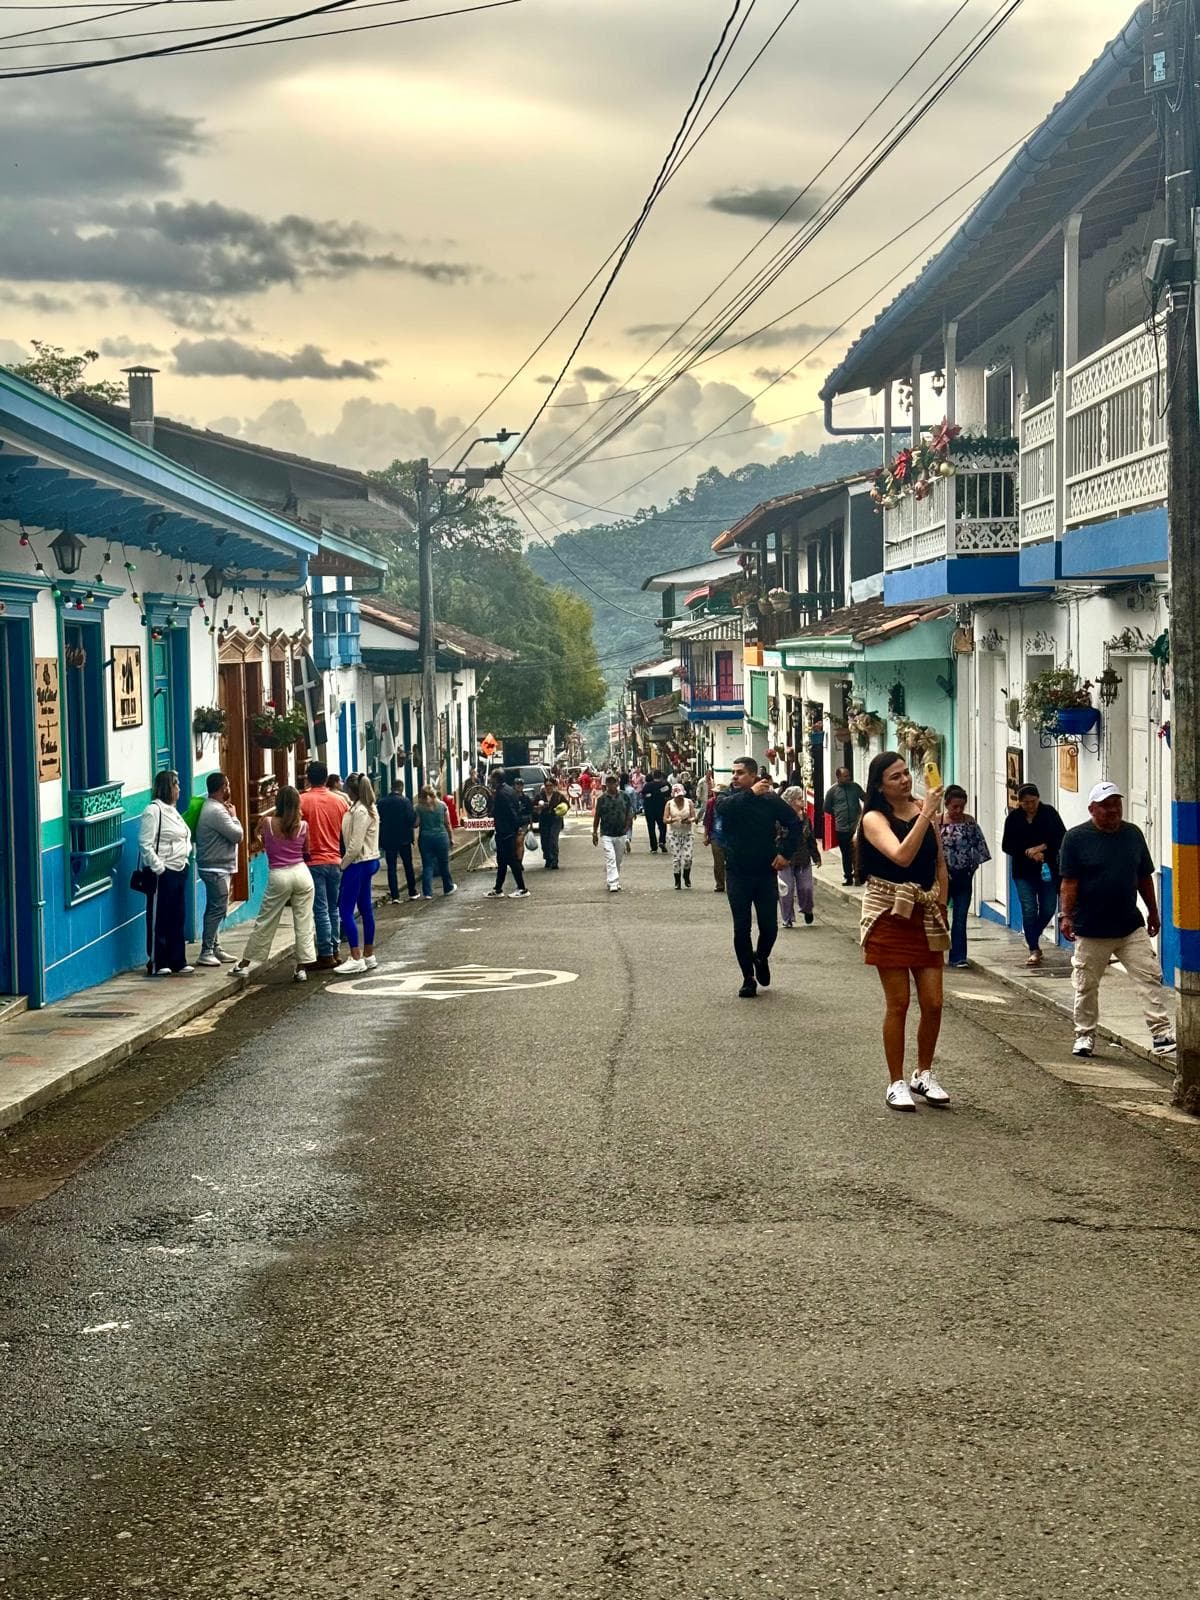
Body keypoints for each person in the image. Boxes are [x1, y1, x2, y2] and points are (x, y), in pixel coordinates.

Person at [857, 751, 950, 1112]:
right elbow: (901, 856)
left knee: (934, 1002)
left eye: (906, 773)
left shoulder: (921, 810)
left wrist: (942, 903)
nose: (905, 780)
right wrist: (927, 812)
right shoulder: (874, 819)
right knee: (899, 1003)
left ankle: (923, 1073)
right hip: (889, 912)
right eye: (895, 777)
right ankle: (895, 1081)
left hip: (924, 911)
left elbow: (939, 862)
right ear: (880, 785)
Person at [1059, 781, 1174, 1059]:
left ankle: (1161, 1033)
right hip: (1092, 928)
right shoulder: (1076, 838)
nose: (1113, 810)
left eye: (1116, 804)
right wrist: (1066, 916)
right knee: (1086, 984)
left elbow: (1143, 876)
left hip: (1129, 926)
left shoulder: (1132, 834)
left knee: (1149, 976)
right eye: (1106, 806)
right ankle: (1084, 1035)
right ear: (1092, 809)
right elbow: (1069, 882)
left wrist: (1153, 911)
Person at [716, 757, 801, 999]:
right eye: (733, 772)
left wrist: (785, 853)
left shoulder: (770, 800)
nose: (734, 776)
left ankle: (761, 957)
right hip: (736, 872)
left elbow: (794, 823)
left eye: (740, 773)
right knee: (741, 928)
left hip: (765, 871)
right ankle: (747, 978)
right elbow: (723, 810)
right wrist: (750, 794)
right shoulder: (727, 798)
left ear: (753, 776)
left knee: (769, 927)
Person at [231, 786, 314, 984]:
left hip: (279, 874)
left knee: (266, 920)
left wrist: (266, 843)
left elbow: (257, 837)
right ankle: (301, 968)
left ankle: (244, 964)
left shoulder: (267, 822)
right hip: (301, 873)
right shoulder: (302, 826)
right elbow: (307, 851)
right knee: (304, 922)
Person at [1001, 783, 1066, 968]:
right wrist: (1028, 852)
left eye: (1033, 801)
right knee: (1029, 909)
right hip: (1023, 872)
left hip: (1047, 869)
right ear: (1019, 803)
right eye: (1025, 803)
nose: (1030, 806)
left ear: (1038, 799)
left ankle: (1032, 934)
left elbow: (1061, 836)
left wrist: (1041, 848)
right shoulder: (1014, 818)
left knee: (1048, 908)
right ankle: (1034, 948)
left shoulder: (1049, 814)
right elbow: (1007, 845)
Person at [137, 769, 194, 976]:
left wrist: (186, 857)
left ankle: (178, 959)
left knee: (178, 915)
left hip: (180, 870)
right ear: (166, 787)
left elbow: (184, 836)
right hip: (163, 872)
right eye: (175, 784)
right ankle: (159, 961)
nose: (179, 788)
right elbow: (145, 843)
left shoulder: (173, 811)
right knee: (159, 917)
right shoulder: (153, 811)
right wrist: (159, 867)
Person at [299, 760, 350, 971]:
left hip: (313, 861)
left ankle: (326, 953)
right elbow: (346, 831)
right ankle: (335, 950)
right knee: (333, 908)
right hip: (336, 859)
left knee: (319, 909)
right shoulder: (339, 802)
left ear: (308, 778)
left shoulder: (302, 801)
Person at [195, 771, 243, 967]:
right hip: (216, 868)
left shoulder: (213, 808)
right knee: (217, 908)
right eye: (228, 785)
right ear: (223, 788)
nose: (229, 789)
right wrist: (235, 817)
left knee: (215, 907)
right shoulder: (217, 811)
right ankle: (206, 950)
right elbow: (237, 835)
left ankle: (215, 946)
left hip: (216, 866)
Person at [939, 785, 991, 968]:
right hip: (942, 880)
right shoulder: (937, 823)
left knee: (960, 919)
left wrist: (970, 870)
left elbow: (980, 848)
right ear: (946, 804)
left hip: (963, 878)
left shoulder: (970, 823)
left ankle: (958, 957)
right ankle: (935, 954)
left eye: (961, 807)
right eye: (954, 807)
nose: (958, 811)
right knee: (939, 917)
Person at [334, 774, 380, 975]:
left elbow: (355, 845)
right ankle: (368, 954)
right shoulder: (367, 808)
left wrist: (342, 865)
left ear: (351, 790)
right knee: (365, 907)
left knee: (345, 909)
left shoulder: (361, 811)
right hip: (368, 861)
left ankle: (355, 956)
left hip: (358, 862)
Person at [778, 786, 821, 927]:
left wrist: (816, 856)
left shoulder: (806, 817)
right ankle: (787, 918)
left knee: (806, 888)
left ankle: (807, 909)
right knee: (786, 890)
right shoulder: (780, 818)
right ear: (790, 801)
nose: (802, 801)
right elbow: (774, 838)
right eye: (799, 799)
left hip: (803, 857)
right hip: (785, 858)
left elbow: (810, 838)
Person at [486, 769, 529, 898]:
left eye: (491, 778)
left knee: (511, 860)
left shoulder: (501, 794)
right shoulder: (509, 790)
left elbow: (510, 812)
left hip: (506, 832)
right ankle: (498, 888)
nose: (489, 780)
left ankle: (522, 888)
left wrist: (514, 827)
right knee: (502, 861)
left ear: (496, 779)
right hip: (506, 831)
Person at [822, 766, 866, 886]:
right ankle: (848, 876)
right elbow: (826, 807)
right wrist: (838, 813)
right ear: (838, 777)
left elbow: (865, 798)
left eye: (848, 775)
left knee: (858, 851)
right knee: (846, 853)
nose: (848, 778)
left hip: (856, 826)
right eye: (845, 776)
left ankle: (859, 875)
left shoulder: (855, 787)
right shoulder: (832, 791)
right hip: (841, 827)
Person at [593, 771, 633, 892]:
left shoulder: (624, 796)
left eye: (613, 782)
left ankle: (615, 879)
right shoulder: (602, 799)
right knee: (610, 857)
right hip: (607, 833)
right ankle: (613, 882)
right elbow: (597, 816)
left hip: (621, 832)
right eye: (609, 782)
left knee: (618, 859)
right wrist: (594, 832)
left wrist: (627, 828)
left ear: (617, 783)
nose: (611, 785)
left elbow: (629, 813)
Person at [378, 780, 418, 902]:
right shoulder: (405, 801)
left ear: (391, 788)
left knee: (391, 867)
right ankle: (412, 891)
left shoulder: (382, 802)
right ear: (402, 788)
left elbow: (378, 818)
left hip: (388, 839)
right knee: (408, 865)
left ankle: (395, 895)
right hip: (404, 839)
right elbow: (411, 820)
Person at [415, 783, 457, 899]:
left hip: (425, 838)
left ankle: (427, 893)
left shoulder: (418, 807)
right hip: (441, 837)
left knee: (427, 865)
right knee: (444, 864)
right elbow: (447, 824)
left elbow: (416, 824)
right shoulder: (442, 805)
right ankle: (448, 887)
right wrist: (451, 838)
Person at [663, 782, 697, 889]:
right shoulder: (669, 804)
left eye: (681, 796)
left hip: (687, 833)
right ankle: (677, 881)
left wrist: (689, 820)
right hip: (674, 833)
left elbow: (694, 817)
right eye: (678, 796)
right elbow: (665, 819)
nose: (680, 798)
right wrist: (672, 819)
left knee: (688, 857)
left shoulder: (689, 802)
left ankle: (686, 875)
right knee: (676, 858)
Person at [533, 774, 568, 870]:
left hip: (555, 820)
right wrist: (538, 808)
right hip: (544, 820)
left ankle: (554, 860)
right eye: (547, 786)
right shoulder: (539, 796)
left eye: (550, 786)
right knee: (544, 840)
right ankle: (548, 858)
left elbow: (566, 805)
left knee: (553, 839)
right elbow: (533, 807)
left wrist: (560, 810)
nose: (548, 788)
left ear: (554, 786)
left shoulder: (559, 796)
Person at [702, 779, 727, 893]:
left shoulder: (730, 803)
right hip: (715, 835)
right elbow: (707, 819)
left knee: (731, 861)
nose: (716, 795)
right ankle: (720, 884)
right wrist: (705, 835)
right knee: (718, 862)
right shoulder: (711, 803)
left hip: (729, 836)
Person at [641, 768, 669, 853]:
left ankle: (653, 847)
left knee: (651, 828)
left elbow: (643, 795)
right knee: (662, 826)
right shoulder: (665, 785)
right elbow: (669, 796)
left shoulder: (648, 785)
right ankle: (662, 841)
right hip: (661, 809)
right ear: (661, 776)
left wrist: (650, 795)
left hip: (649, 810)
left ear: (653, 776)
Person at [513, 778, 534, 863]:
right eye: (517, 784)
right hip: (513, 822)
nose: (519, 786)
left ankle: (519, 862)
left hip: (523, 822)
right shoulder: (510, 797)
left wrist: (531, 825)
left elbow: (530, 812)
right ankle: (515, 859)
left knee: (520, 840)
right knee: (514, 843)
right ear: (514, 786)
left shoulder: (526, 798)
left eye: (521, 784)